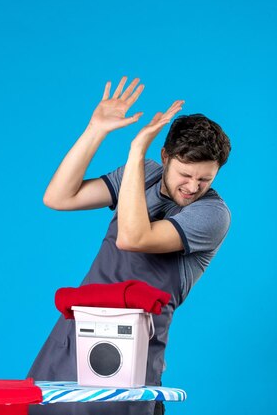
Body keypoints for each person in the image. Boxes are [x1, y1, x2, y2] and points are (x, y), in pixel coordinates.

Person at [27, 76, 231, 415]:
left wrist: (136, 150)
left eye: (205, 178)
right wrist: (97, 129)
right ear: (165, 156)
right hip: (74, 336)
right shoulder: (144, 175)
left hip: (130, 354)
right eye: (185, 174)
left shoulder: (212, 213)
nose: (193, 186)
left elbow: (133, 237)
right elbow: (58, 197)